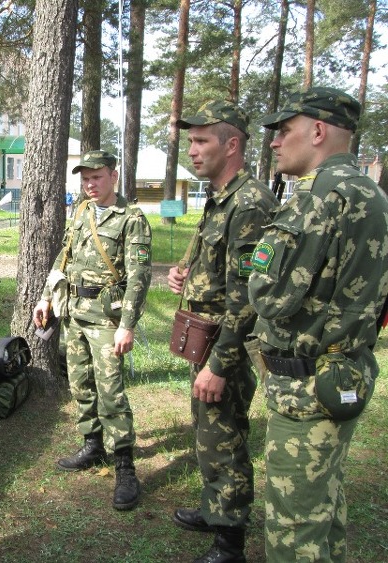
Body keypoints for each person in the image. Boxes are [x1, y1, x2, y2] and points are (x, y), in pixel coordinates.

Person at [249, 86, 388, 562]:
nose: (274, 142)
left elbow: (271, 293)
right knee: (324, 513)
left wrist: (254, 268)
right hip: (343, 373)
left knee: (294, 534)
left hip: (306, 389)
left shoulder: (322, 197)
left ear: (319, 130)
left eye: (284, 131)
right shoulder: (372, 194)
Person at [168, 100, 278, 563]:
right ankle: (216, 509)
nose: (191, 151)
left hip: (226, 348)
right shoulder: (221, 197)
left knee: (225, 436)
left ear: (232, 144)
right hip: (208, 338)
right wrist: (184, 274)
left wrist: (219, 364)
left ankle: (230, 540)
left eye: (201, 141)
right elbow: (218, 269)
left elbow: (248, 296)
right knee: (208, 432)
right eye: (190, 141)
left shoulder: (249, 202)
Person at [32, 150, 152, 511]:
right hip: (75, 312)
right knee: (80, 382)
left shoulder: (132, 219)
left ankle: (125, 466)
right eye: (85, 177)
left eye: (97, 177)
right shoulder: (81, 211)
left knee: (111, 390)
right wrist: (45, 298)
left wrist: (127, 326)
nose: (90, 183)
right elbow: (62, 258)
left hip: (107, 317)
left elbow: (139, 278)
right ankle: (92, 445)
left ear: (113, 177)